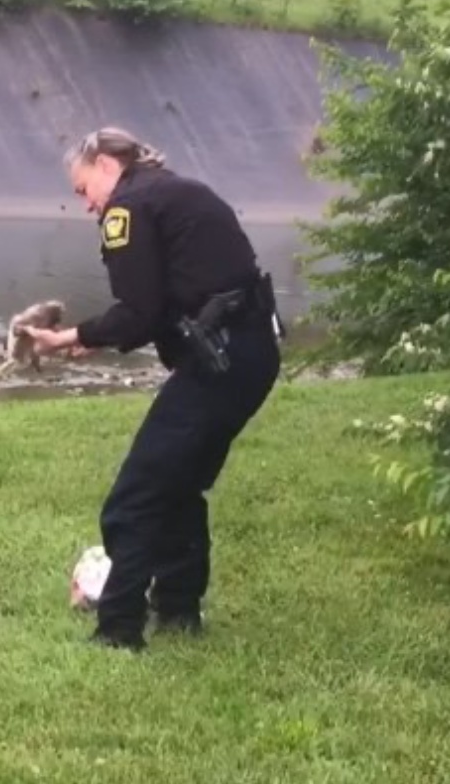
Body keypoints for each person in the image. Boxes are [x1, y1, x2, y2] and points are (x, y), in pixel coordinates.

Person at [23, 127, 283, 652]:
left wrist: (67, 337)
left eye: (82, 190)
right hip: (252, 355)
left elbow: (138, 313)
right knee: (179, 485)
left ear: (104, 164)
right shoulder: (177, 191)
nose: (87, 205)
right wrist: (97, 338)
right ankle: (179, 611)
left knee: (134, 498)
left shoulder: (129, 207)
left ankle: (118, 631)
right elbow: (162, 304)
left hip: (219, 364)